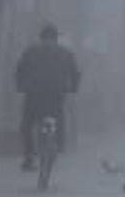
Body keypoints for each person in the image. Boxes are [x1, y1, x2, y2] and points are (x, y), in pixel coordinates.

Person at [15, 23, 81, 171]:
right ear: (56, 38)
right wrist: (73, 88)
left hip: (34, 95)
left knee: (27, 125)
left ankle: (29, 156)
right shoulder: (66, 53)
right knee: (58, 118)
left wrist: (20, 86)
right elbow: (75, 73)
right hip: (56, 95)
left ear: (41, 37)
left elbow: (20, 70)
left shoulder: (31, 51)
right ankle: (59, 144)